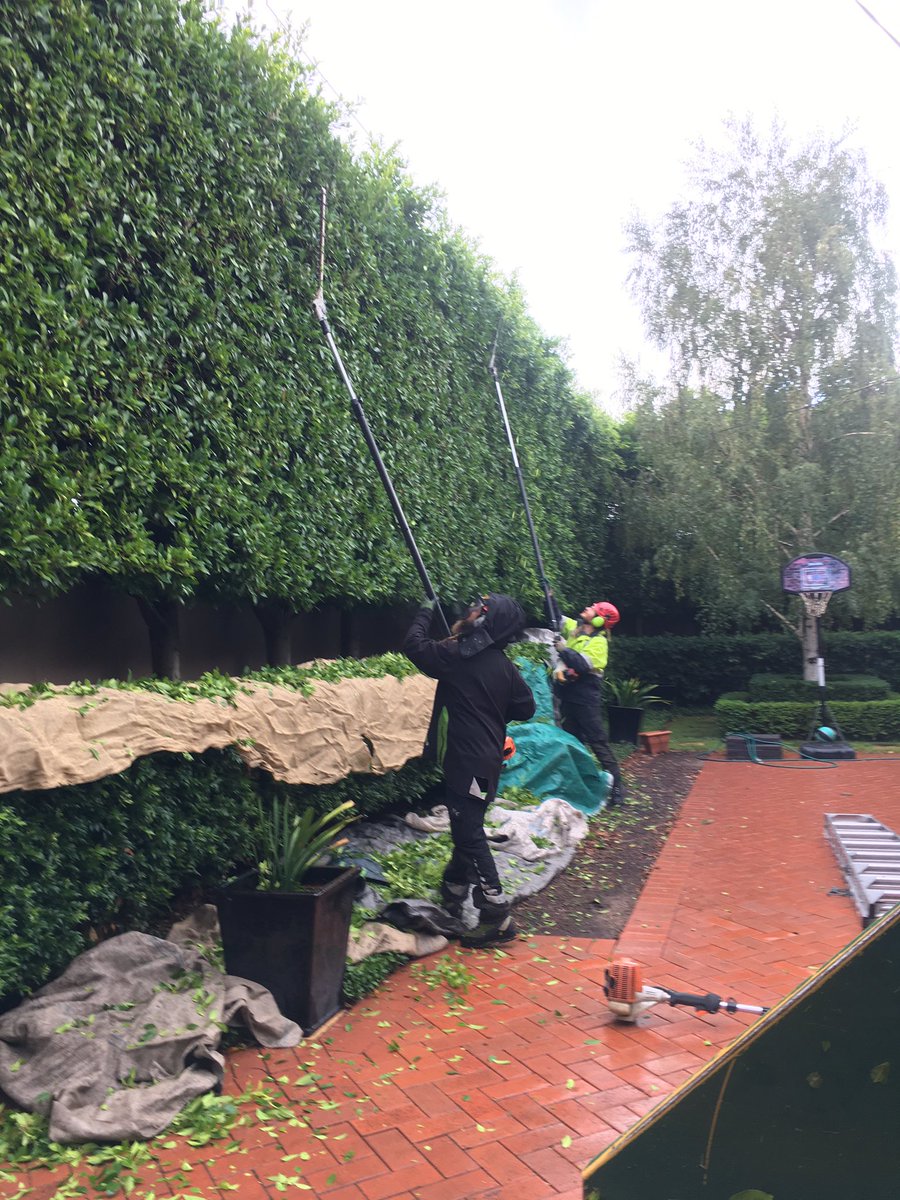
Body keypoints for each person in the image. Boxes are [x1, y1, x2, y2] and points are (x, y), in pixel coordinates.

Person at [402, 592, 536, 947]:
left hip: (469, 765)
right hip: (486, 764)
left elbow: (413, 645)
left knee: (469, 832)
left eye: (479, 607)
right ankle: (454, 890)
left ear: (487, 621)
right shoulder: (502, 665)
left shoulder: (457, 655)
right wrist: (492, 711)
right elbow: (526, 708)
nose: (471, 609)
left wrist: (425, 609)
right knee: (466, 824)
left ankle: (496, 914)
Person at [553, 601, 625, 806]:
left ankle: (617, 788)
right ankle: (578, 786)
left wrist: (563, 650)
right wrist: (549, 595)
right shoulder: (575, 629)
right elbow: (556, 618)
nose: (587, 607)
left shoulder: (599, 643)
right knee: (572, 742)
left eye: (593, 608)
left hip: (586, 700)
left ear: (600, 619)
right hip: (568, 698)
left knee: (597, 742)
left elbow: (582, 664)